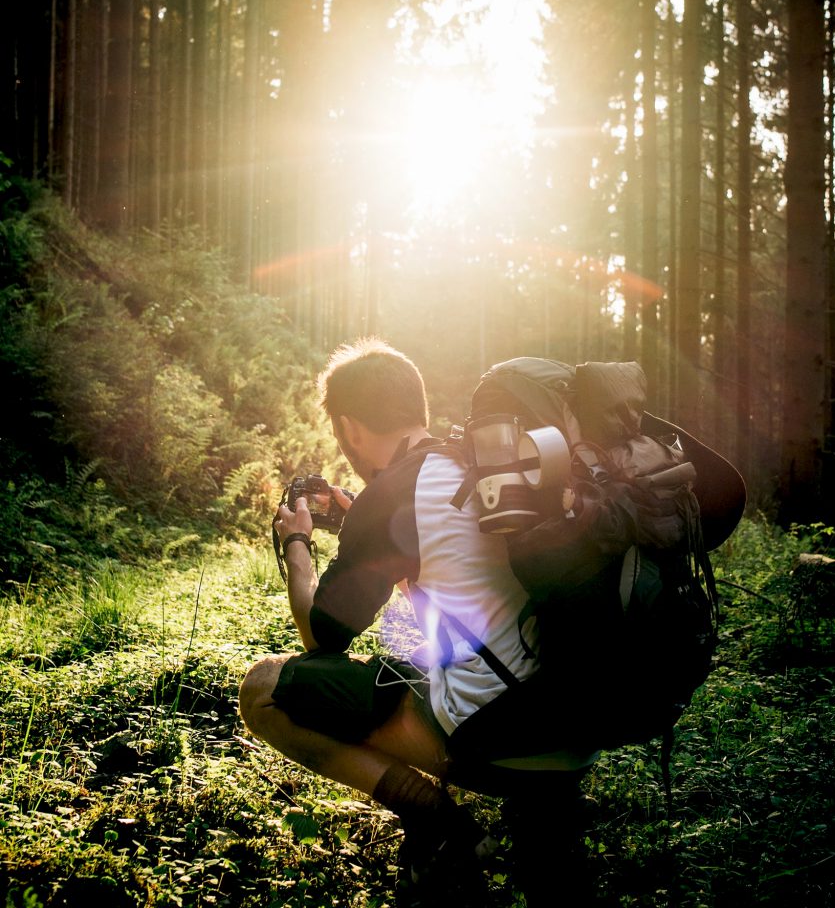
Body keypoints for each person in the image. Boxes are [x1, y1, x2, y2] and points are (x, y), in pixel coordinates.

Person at [238, 337, 597, 907]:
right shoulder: (474, 464)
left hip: (495, 735)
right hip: (576, 721)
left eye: (340, 435)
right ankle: (538, 828)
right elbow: (459, 574)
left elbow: (319, 635)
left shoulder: (391, 494)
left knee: (263, 690)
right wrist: (365, 523)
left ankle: (437, 822)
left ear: (350, 428)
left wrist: (298, 543)